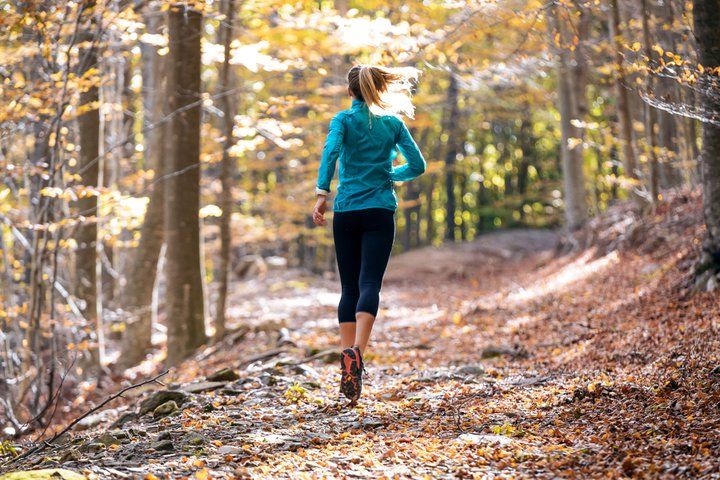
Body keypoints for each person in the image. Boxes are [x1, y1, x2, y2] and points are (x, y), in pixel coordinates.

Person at [312, 65, 426, 403]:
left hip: (346, 211)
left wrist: (322, 194)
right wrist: (391, 175)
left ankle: (346, 353)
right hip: (380, 210)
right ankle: (358, 354)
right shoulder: (393, 124)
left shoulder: (343, 121)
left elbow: (330, 152)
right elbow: (417, 166)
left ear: (351, 93)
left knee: (348, 287)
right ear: (378, 90)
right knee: (369, 285)